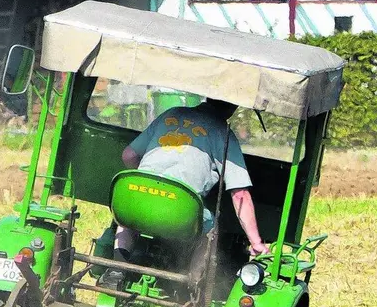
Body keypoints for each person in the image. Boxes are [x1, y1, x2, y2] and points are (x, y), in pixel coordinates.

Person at [109, 98, 272, 270]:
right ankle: (193, 283)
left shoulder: (172, 113)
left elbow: (128, 155)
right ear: (233, 107)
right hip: (180, 211)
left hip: (137, 196)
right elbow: (240, 194)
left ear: (208, 96)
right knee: (211, 229)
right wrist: (256, 242)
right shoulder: (222, 133)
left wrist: (146, 181)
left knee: (130, 215)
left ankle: (117, 268)